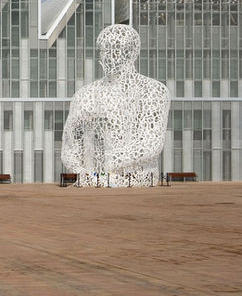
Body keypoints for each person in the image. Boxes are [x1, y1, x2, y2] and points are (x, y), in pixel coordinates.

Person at [62, 24, 170, 187]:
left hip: (137, 178)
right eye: (106, 50)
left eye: (117, 49)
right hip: (93, 179)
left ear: (133, 52)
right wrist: (80, 171)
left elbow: (151, 143)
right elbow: (70, 145)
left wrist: (108, 163)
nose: (111, 56)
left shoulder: (153, 91)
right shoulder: (84, 95)